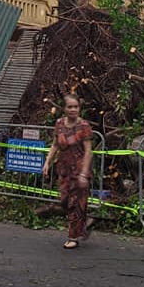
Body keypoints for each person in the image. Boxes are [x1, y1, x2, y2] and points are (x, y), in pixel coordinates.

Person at [43, 93, 94, 249]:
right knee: (65, 201)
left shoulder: (84, 126)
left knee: (74, 203)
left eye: (76, 107)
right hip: (64, 170)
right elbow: (55, 145)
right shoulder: (59, 124)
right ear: (64, 109)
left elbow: (88, 151)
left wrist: (84, 174)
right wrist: (47, 162)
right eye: (70, 107)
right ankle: (85, 223)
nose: (73, 110)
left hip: (79, 171)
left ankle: (73, 237)